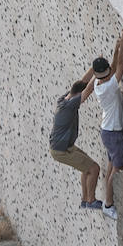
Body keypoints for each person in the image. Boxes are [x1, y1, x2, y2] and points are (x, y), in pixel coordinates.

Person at [49, 66, 101, 209]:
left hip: (63, 147)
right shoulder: (70, 105)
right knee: (94, 169)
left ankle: (85, 200)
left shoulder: (64, 98)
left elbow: (83, 82)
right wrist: (100, 73)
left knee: (86, 169)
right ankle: (91, 201)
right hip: (62, 151)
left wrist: (93, 67)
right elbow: (88, 90)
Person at [90, 24, 123, 220]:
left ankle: (107, 201)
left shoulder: (98, 84)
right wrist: (122, 44)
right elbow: (119, 66)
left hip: (107, 130)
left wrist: (116, 48)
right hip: (113, 132)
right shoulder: (110, 86)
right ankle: (109, 203)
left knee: (111, 166)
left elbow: (113, 67)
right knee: (118, 168)